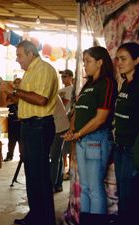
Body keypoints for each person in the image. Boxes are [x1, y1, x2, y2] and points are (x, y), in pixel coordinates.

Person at [0, 40, 58, 225]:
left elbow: (40, 100)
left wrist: (14, 89)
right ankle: (35, 216)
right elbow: (25, 100)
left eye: (19, 55)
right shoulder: (30, 72)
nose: (17, 60)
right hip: (29, 127)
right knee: (31, 175)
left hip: (39, 127)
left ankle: (46, 220)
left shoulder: (44, 69)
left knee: (40, 176)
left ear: (31, 53)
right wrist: (10, 92)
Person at [62, 46, 117, 224]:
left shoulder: (107, 83)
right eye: (84, 61)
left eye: (88, 61)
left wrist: (78, 133)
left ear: (100, 62)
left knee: (94, 188)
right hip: (83, 139)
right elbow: (78, 111)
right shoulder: (88, 84)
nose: (85, 65)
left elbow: (101, 118)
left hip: (96, 140)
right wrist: (73, 131)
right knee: (84, 188)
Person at [113, 42, 139, 225]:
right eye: (117, 59)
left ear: (137, 60)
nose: (119, 63)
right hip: (120, 144)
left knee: (130, 191)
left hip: (132, 146)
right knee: (122, 189)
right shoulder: (125, 84)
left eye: (124, 59)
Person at [50, 95, 70, 193]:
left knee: (54, 157)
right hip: (61, 126)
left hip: (59, 127)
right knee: (58, 156)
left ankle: (52, 185)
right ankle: (58, 184)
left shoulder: (48, 92)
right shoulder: (53, 91)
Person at [59, 69, 74, 180]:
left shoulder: (72, 89)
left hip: (69, 121)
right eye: (62, 76)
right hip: (61, 121)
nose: (63, 78)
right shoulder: (61, 90)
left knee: (69, 148)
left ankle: (69, 170)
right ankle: (63, 169)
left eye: (65, 76)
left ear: (70, 77)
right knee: (62, 150)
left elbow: (63, 104)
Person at [4, 78, 23, 161]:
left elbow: (21, 102)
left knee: (21, 140)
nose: (17, 85)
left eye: (19, 83)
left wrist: (16, 101)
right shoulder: (11, 93)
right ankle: (9, 155)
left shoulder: (23, 93)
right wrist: (16, 101)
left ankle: (22, 156)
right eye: (16, 83)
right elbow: (7, 103)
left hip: (21, 120)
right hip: (12, 118)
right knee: (11, 139)